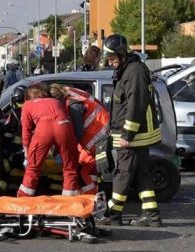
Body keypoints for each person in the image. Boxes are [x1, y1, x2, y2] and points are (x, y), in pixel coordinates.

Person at [97, 34, 162, 227]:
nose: (110, 62)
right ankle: (151, 214)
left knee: (122, 174)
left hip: (134, 136)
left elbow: (136, 105)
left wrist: (127, 134)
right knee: (141, 174)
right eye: (108, 59)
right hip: (135, 135)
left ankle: (113, 214)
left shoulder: (134, 72)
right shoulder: (128, 69)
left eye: (112, 58)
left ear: (123, 53)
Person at [17, 83, 80, 197]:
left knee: (33, 167)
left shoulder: (27, 105)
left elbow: (26, 130)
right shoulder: (54, 101)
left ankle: (24, 199)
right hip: (65, 125)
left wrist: (26, 150)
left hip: (44, 128)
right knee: (70, 167)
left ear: (27, 98)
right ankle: (70, 201)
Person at [48, 84, 110, 195]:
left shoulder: (74, 106)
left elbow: (77, 133)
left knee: (81, 169)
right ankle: (94, 195)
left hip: (97, 137)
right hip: (95, 137)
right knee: (90, 172)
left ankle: (90, 198)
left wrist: (63, 149)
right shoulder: (69, 95)